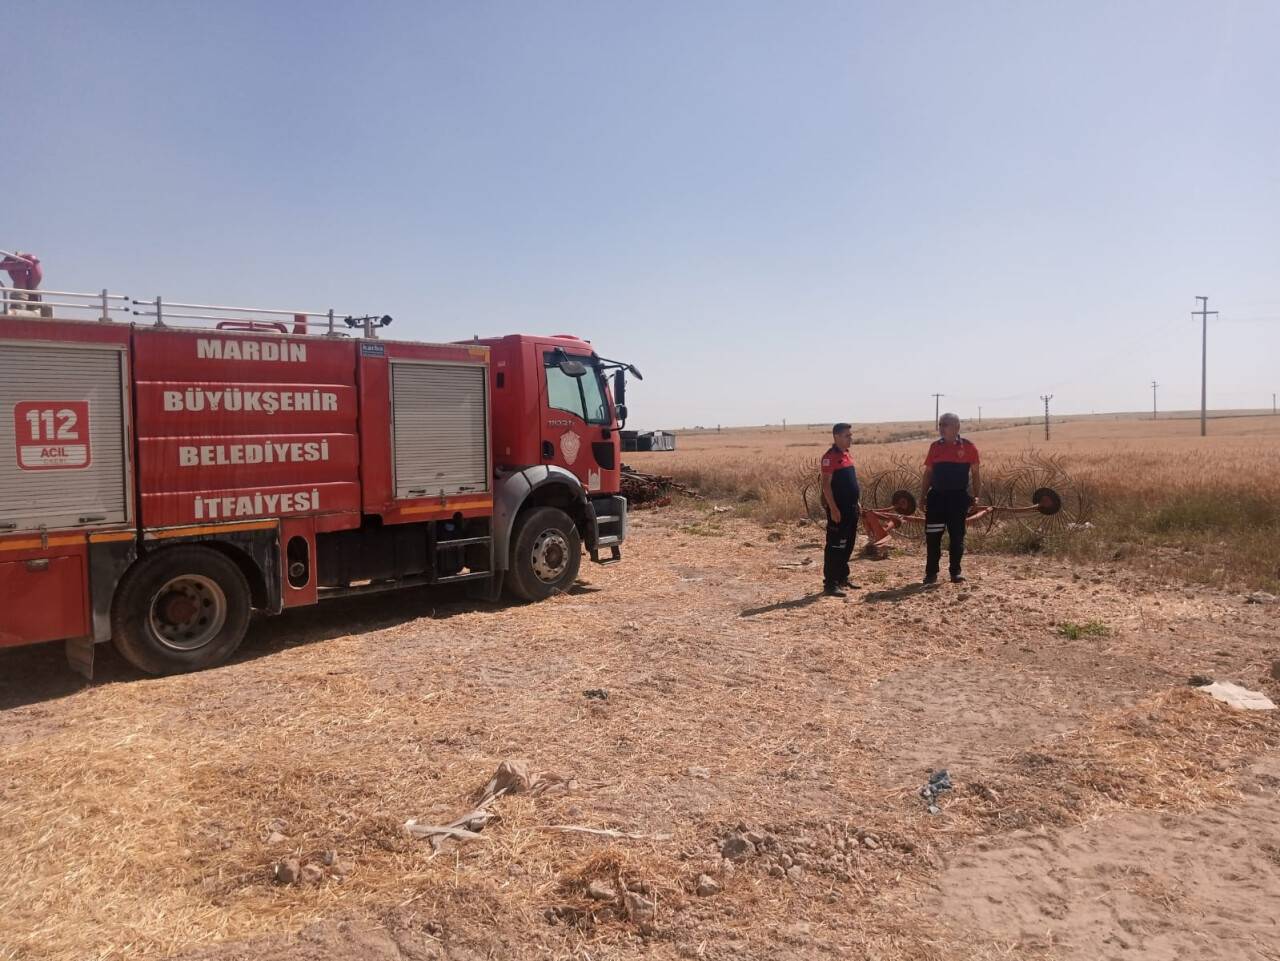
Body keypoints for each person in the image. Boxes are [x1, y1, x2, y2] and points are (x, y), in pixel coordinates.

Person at [919, 413, 981, 584]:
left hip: (958, 499)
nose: (941, 428)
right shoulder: (934, 447)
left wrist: (976, 496)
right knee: (933, 538)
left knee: (957, 538)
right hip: (936, 499)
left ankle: (955, 573)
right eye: (940, 424)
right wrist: (922, 497)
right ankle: (931, 573)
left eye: (945, 424)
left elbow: (975, 474)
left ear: (957, 427)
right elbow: (928, 474)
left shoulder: (969, 447)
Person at [820, 422, 860, 597]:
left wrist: (857, 502)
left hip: (852, 508)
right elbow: (826, 486)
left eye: (851, 435)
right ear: (836, 437)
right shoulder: (829, 457)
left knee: (848, 544)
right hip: (839, 509)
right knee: (835, 546)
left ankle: (843, 577)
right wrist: (834, 509)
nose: (850, 438)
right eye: (847, 435)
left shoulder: (847, 455)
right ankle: (830, 584)